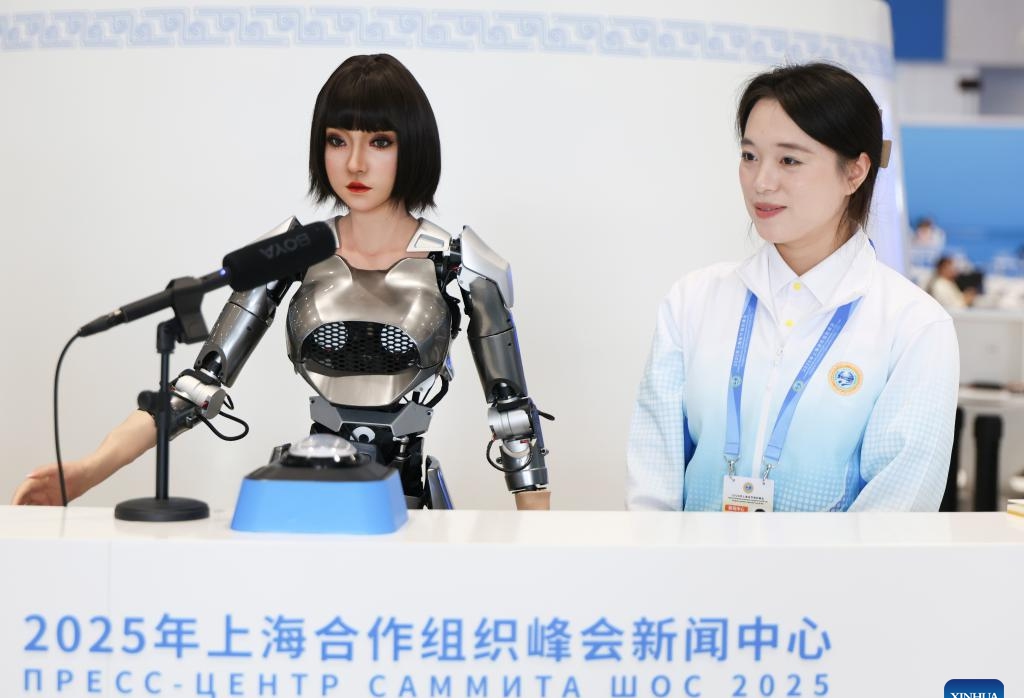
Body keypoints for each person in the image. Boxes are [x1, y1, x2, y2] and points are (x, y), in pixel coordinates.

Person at [13, 53, 550, 511]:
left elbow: (514, 420)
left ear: (412, 146)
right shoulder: (292, 252)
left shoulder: (460, 262)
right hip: (311, 484)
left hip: (410, 499)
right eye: (338, 140)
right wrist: (87, 471)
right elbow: (198, 388)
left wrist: (539, 544)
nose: (355, 162)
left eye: (379, 141)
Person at [627, 62, 958, 513]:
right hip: (691, 579)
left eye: (790, 160)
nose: (762, 181)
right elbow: (654, 481)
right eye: (749, 156)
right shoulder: (694, 300)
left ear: (855, 173)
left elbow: (897, 507)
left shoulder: (912, 324)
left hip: (837, 584)